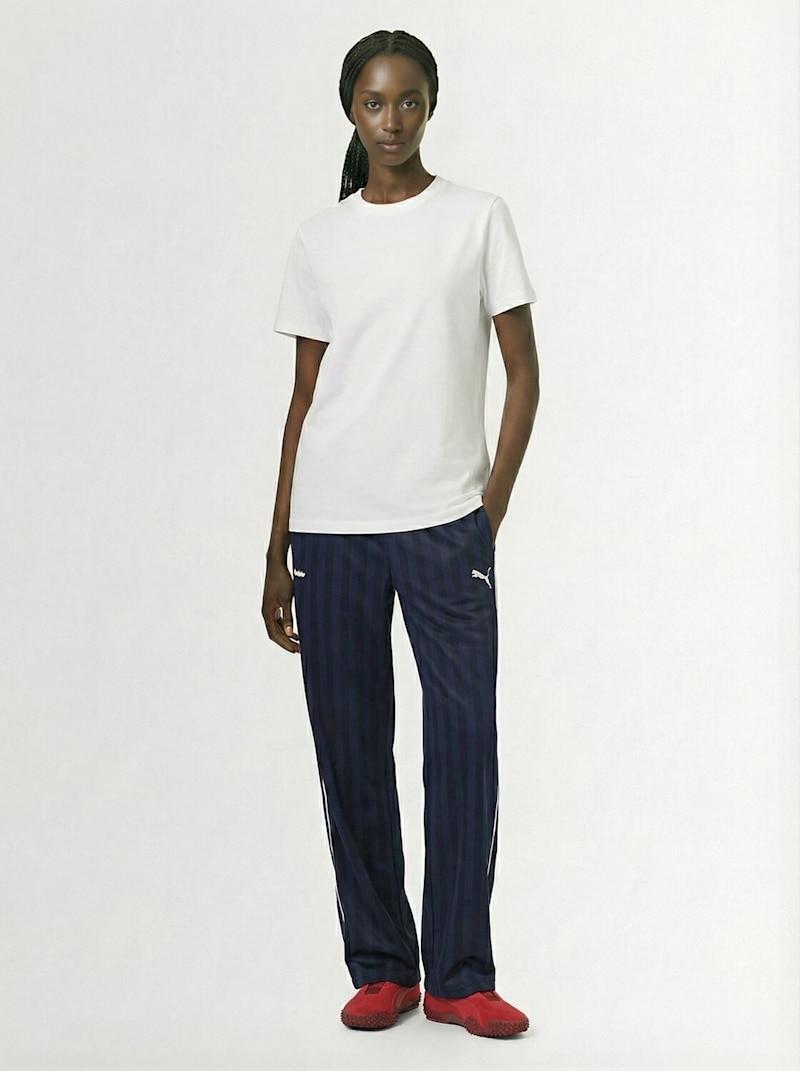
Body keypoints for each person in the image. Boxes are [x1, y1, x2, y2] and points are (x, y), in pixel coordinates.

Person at [262, 29, 540, 1039]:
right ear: (351, 109)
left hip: (444, 525)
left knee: (464, 742)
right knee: (350, 749)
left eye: (409, 100)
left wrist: (486, 510)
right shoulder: (320, 239)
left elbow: (524, 374)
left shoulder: (477, 220)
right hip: (332, 526)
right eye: (374, 103)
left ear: (431, 105)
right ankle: (382, 963)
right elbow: (304, 400)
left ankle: (460, 973)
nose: (392, 120)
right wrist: (275, 549)